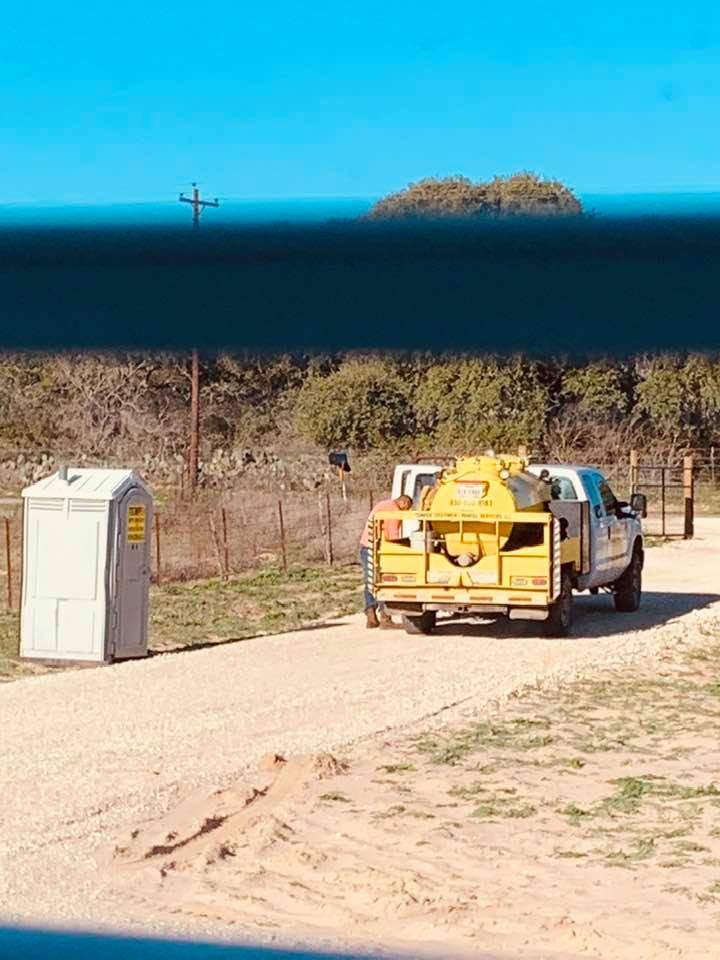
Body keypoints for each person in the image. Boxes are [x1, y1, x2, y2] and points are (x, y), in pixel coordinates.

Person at [360, 493, 413, 629]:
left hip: (367, 545)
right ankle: (385, 617)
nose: (405, 512)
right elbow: (392, 535)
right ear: (404, 503)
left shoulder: (384, 504)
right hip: (377, 547)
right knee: (383, 581)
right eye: (407, 508)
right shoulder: (394, 511)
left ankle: (371, 616)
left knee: (370, 580)